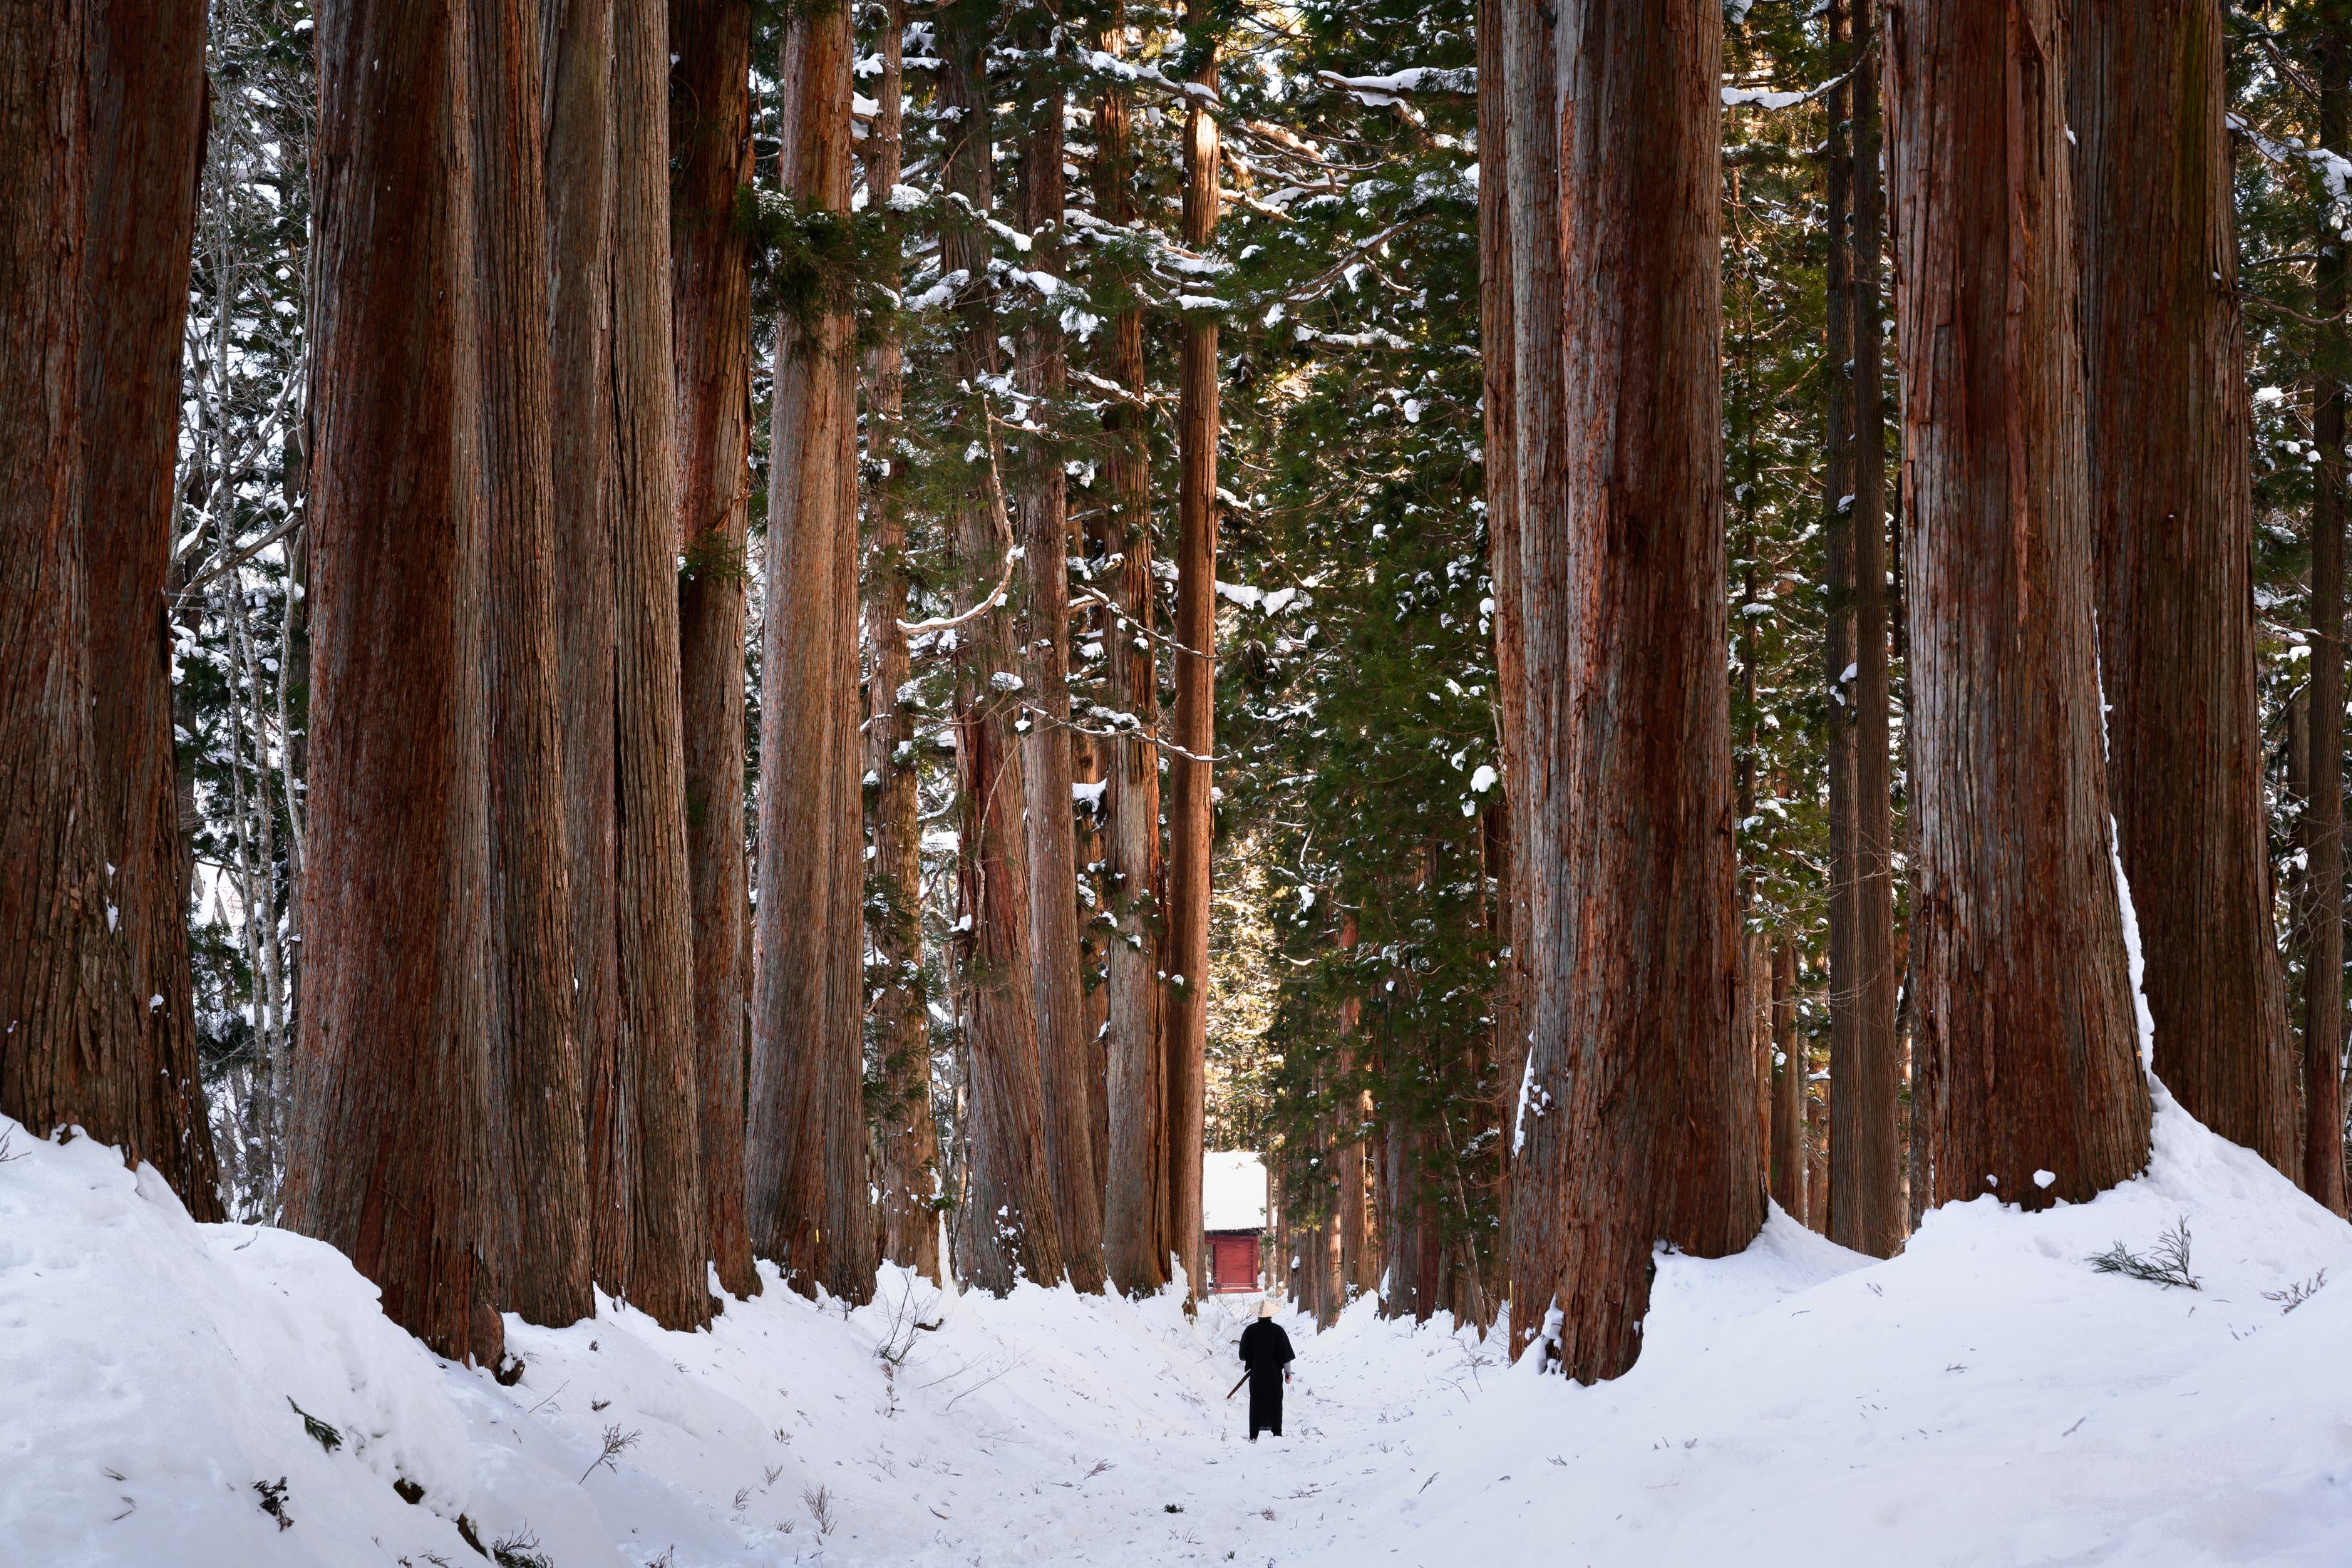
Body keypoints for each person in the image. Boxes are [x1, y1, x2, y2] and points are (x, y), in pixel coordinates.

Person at [1237, 1299, 1295, 1440]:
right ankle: (1277, 1433)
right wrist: (1288, 1373)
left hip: (1257, 1374)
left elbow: (1243, 1356)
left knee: (1256, 1402)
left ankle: (1254, 1435)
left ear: (1258, 1315)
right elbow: (1286, 1354)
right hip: (1275, 1375)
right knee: (1275, 1402)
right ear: (1271, 1315)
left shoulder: (1250, 1331)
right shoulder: (1278, 1331)